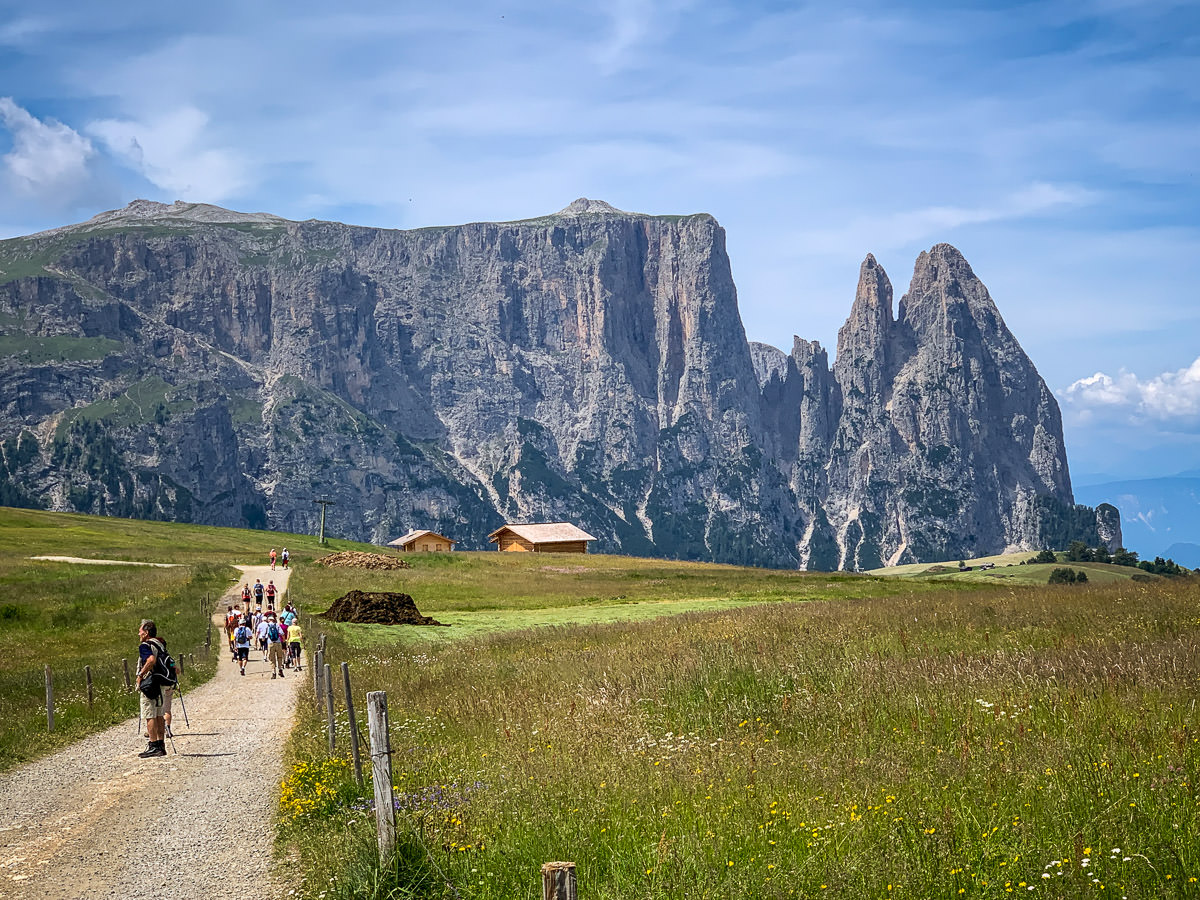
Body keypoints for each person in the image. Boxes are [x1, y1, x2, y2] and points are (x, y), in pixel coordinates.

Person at [136, 619, 167, 758]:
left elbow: (151, 660)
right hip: (160, 682)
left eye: (140, 631)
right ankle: (161, 744)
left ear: (146, 632)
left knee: (149, 714)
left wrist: (140, 675)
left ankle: (153, 745)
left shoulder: (145, 645)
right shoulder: (160, 643)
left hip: (149, 682)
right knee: (159, 714)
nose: (139, 633)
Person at [265, 613, 286, 678]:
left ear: (268, 620)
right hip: (278, 643)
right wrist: (284, 641)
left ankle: (273, 672)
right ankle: (280, 669)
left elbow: (264, 636)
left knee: (272, 658)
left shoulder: (267, 626)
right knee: (279, 657)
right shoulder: (277, 625)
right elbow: (282, 633)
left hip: (270, 643)